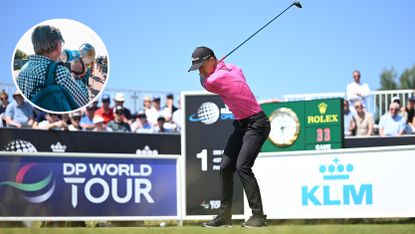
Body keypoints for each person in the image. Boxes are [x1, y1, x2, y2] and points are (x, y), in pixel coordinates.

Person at [188, 46, 270, 228]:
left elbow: (204, 82)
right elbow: (238, 71)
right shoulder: (232, 68)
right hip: (242, 125)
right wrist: (220, 64)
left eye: (202, 66)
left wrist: (215, 68)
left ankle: (258, 217)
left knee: (242, 167)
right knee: (225, 167)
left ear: (211, 60)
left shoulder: (214, 79)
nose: (200, 71)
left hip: (257, 124)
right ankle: (224, 217)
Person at [16, 25, 89, 109]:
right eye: (61, 44)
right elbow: (83, 103)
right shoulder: (59, 72)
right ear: (58, 45)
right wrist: (77, 76)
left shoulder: (23, 69)